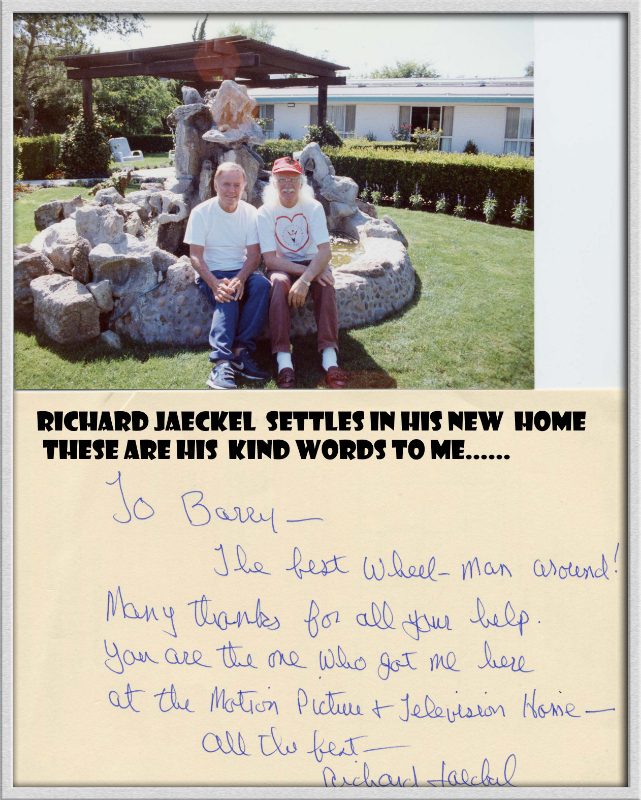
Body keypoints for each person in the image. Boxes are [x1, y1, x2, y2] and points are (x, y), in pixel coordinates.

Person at [257, 156, 347, 389]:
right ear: (273, 182)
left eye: (293, 179)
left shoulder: (313, 207)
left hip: (312, 260)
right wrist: (308, 274)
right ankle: (284, 360)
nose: (287, 185)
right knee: (278, 283)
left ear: (301, 183)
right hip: (282, 265)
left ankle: (330, 358)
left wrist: (306, 279)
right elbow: (270, 260)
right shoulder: (265, 212)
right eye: (282, 179)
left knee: (326, 284)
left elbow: (325, 251)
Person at [184, 162, 271, 390]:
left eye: (236, 185)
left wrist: (241, 278)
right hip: (212, 272)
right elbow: (195, 256)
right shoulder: (201, 212)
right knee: (227, 294)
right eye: (226, 184)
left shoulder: (250, 213)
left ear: (244, 187)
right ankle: (221, 363)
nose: (231, 190)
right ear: (215, 185)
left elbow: (254, 256)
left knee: (262, 285)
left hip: (240, 270)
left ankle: (240, 352)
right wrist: (214, 283)